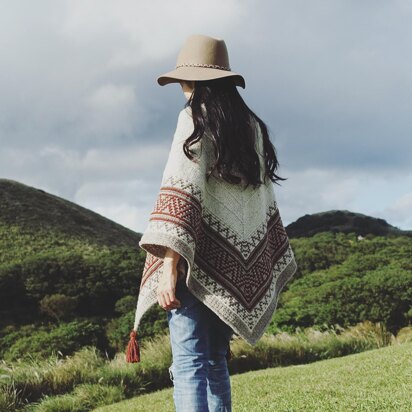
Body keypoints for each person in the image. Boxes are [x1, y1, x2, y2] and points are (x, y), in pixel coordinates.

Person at [126, 34, 298, 412]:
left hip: (190, 263)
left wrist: (169, 265)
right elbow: (256, 199)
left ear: (191, 81)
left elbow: (181, 191)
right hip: (230, 268)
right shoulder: (250, 126)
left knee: (189, 364)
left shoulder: (192, 118)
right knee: (216, 360)